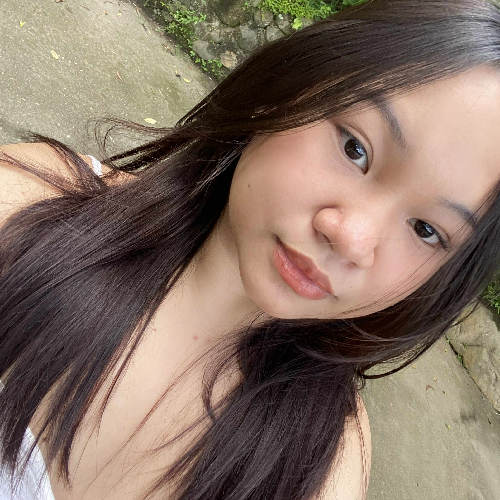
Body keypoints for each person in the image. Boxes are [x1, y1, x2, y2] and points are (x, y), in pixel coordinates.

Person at [2, 0, 500, 498]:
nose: (353, 240)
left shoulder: (322, 471)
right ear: (292, 86)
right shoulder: (26, 206)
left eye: (426, 230)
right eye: (355, 149)